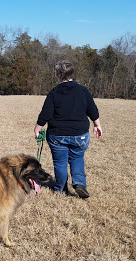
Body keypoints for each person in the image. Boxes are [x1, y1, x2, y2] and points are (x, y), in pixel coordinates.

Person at [34, 60, 103, 198]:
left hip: (57, 136)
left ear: (59, 75)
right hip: (80, 135)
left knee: (60, 163)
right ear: (72, 74)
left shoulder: (54, 92)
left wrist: (37, 128)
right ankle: (79, 183)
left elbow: (46, 113)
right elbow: (92, 110)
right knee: (77, 158)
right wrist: (97, 125)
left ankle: (61, 189)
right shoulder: (83, 91)